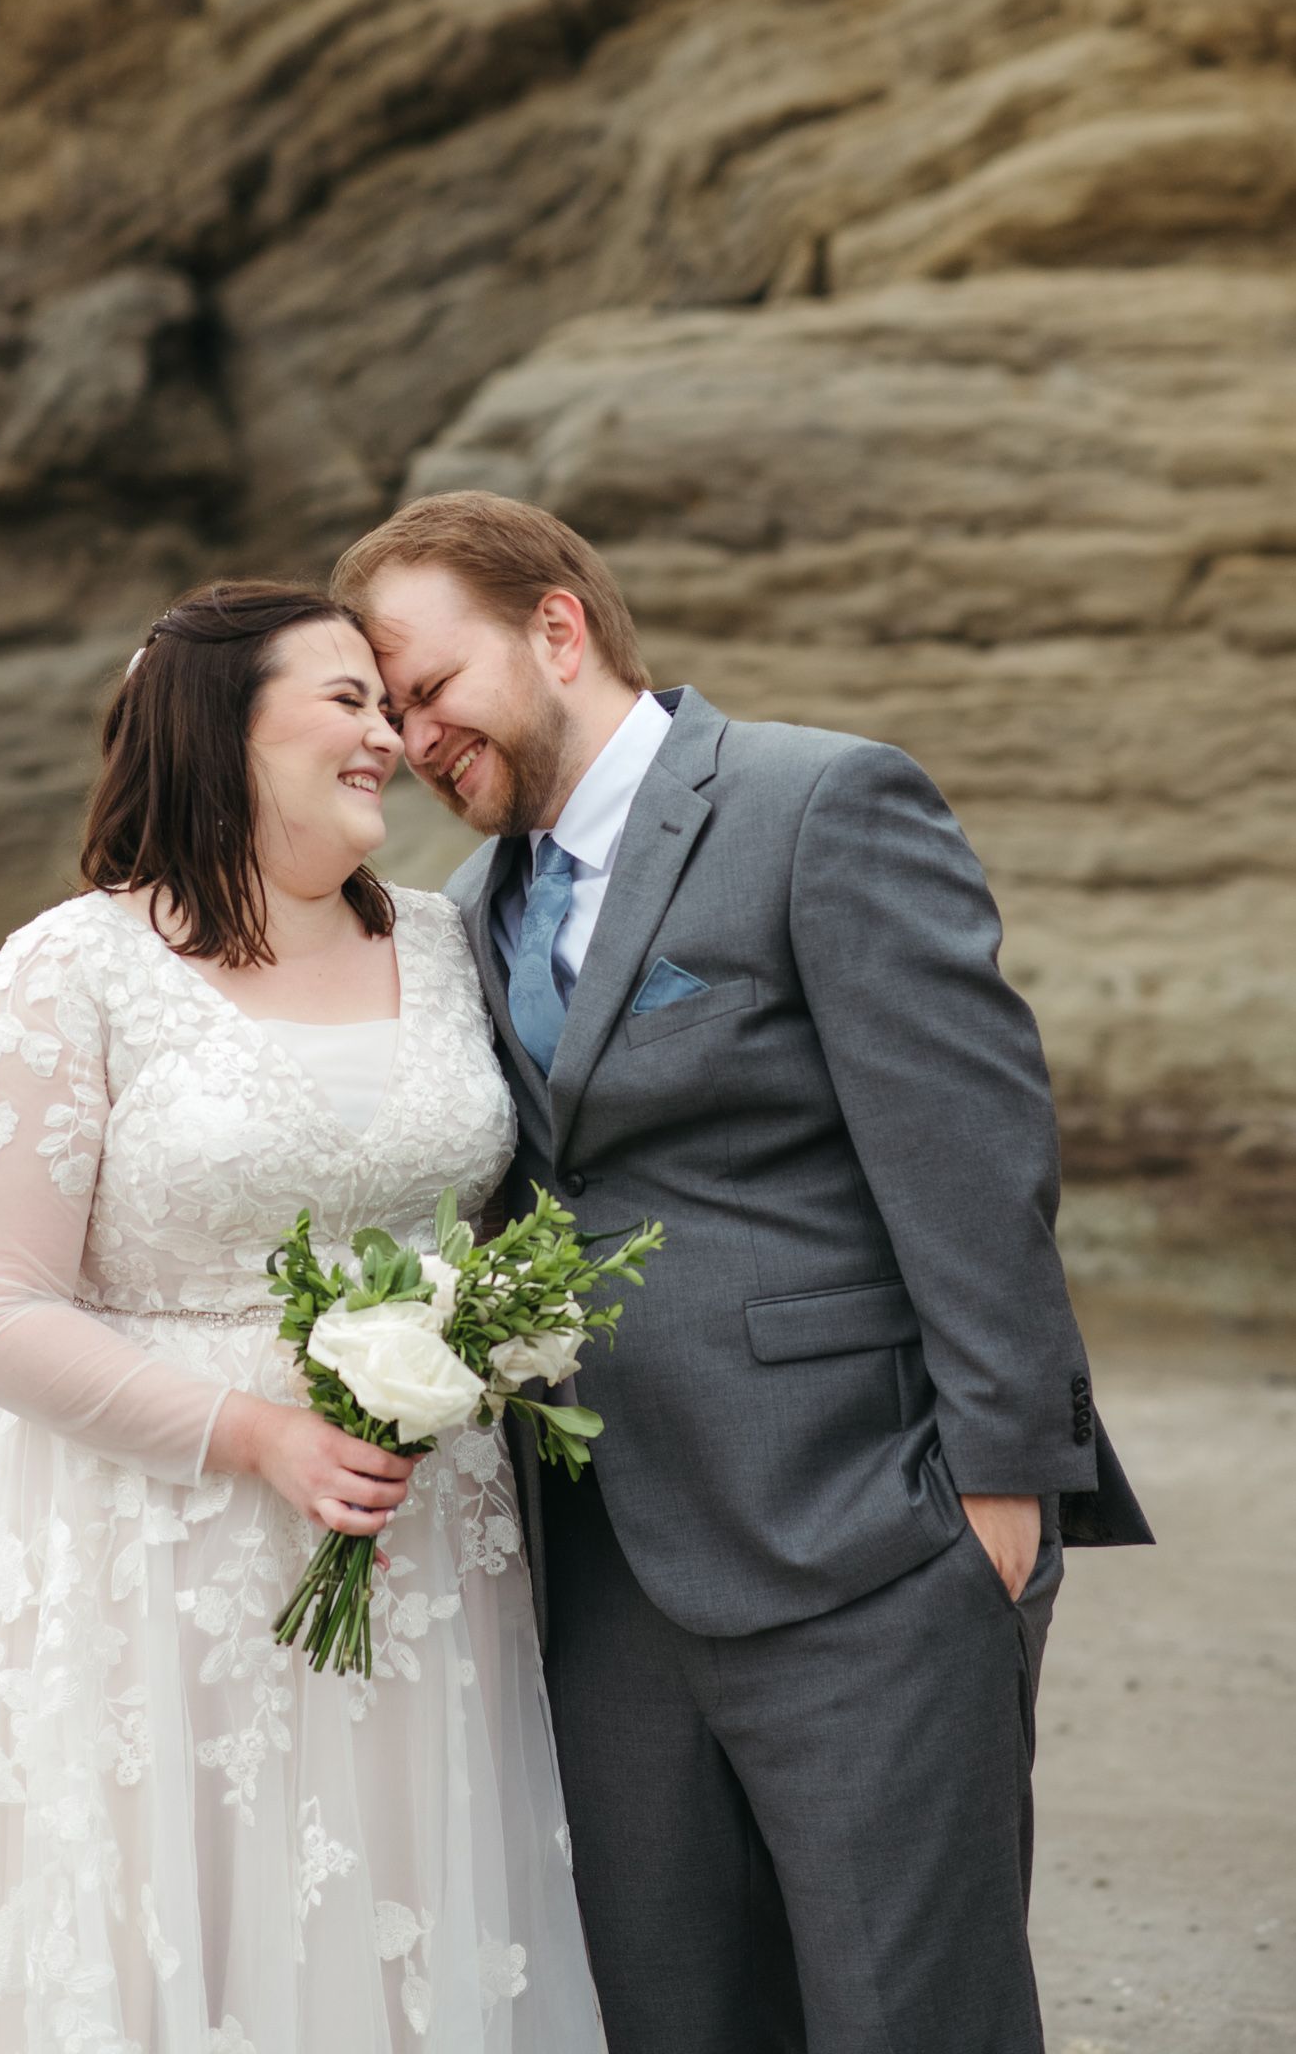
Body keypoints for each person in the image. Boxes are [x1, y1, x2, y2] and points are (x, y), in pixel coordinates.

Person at [333, 492, 1153, 2054]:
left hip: (867, 1536)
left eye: (432, 690)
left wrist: (1004, 1494)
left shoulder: (820, 801)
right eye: (390, 711)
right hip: (606, 1578)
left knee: (911, 2013)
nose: (418, 741)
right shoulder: (472, 912)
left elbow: (976, 1162)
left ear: (555, 628)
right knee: (674, 2017)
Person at [0, 581, 604, 2054]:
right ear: (219, 730)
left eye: (389, 704)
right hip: (144, 1552)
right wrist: (253, 1433)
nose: (389, 733)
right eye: (346, 700)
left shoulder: (449, 945)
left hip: (421, 1544)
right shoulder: (70, 973)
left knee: (400, 1925)